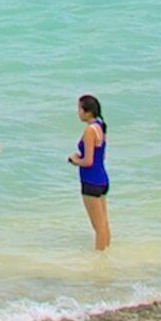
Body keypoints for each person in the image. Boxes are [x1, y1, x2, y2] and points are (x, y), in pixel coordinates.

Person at [67, 94, 113, 249]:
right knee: (104, 224)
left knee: (98, 228)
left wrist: (74, 160)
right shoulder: (101, 125)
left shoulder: (89, 130)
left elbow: (87, 161)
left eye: (79, 109)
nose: (78, 112)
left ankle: (100, 262)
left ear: (87, 112)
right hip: (102, 179)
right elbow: (101, 155)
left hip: (90, 181)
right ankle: (106, 255)